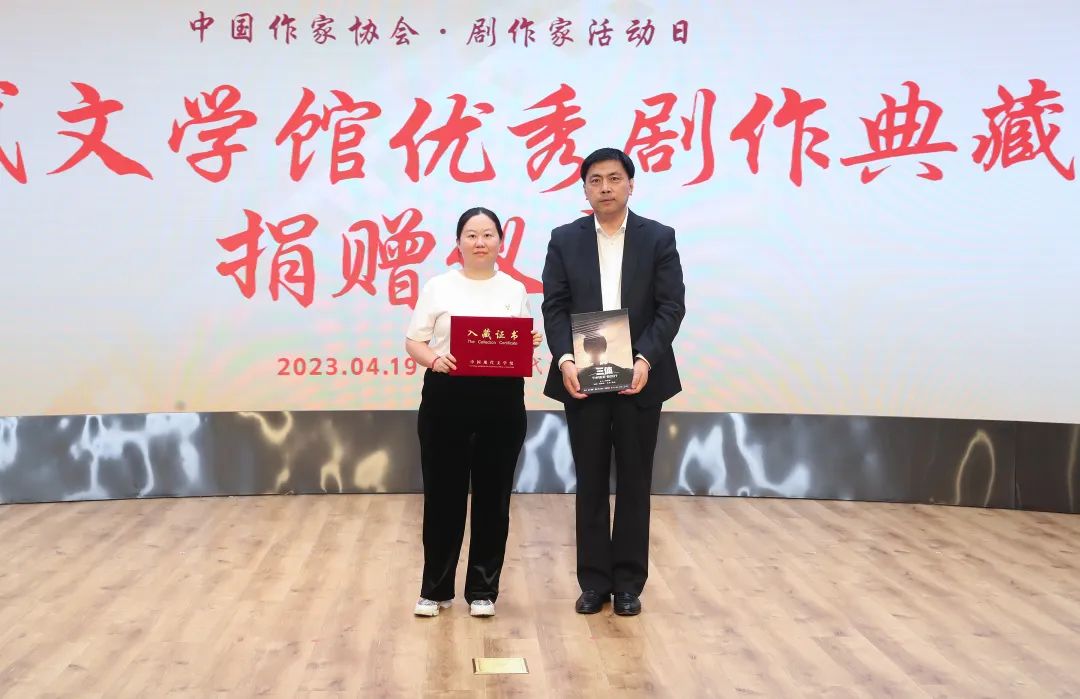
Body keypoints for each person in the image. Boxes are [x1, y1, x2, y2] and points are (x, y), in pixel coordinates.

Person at [541, 147, 686, 616]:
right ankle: (593, 582)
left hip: (640, 376)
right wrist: (565, 359)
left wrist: (644, 359)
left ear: (630, 184)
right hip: (582, 375)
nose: (605, 187)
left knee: (635, 480)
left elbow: (671, 307)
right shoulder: (564, 239)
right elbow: (554, 306)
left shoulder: (658, 237)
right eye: (595, 180)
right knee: (589, 479)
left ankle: (627, 584)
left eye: (614, 178)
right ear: (584, 189)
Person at [405, 206, 542, 618]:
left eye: (488, 235)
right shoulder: (438, 286)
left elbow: (518, 344)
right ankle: (435, 590)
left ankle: (483, 590)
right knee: (442, 497)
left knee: (493, 498)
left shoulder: (514, 289)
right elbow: (414, 341)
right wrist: (434, 360)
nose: (480, 242)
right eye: (471, 234)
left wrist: (529, 341)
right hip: (447, 398)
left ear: (501, 242)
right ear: (458, 243)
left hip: (502, 401)